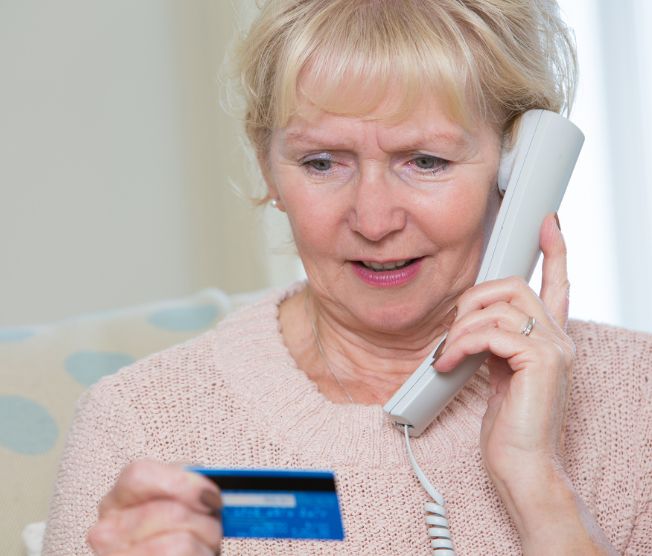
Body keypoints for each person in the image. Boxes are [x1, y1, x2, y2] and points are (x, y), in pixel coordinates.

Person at [43, 0, 651, 554]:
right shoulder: (142, 423)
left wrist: (538, 485)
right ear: (269, 171)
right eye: (322, 162)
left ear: (519, 172)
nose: (373, 219)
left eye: (426, 160)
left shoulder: (636, 400)